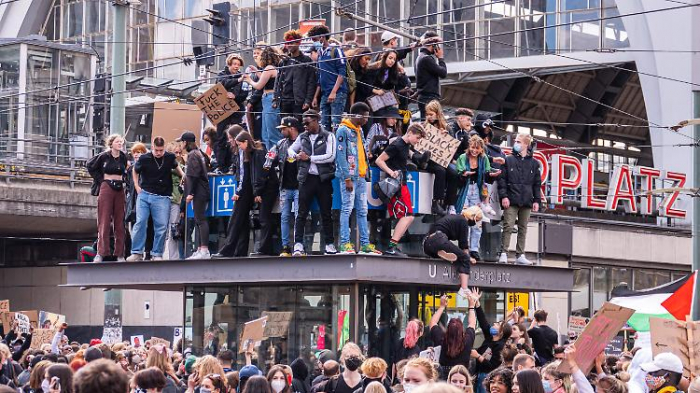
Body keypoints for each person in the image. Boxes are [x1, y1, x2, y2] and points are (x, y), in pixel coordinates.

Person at [288, 109, 337, 256]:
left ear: (316, 120)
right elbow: (291, 149)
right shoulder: (303, 136)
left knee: (326, 213)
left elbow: (331, 156)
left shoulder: (329, 136)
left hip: (323, 179)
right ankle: (298, 245)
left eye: (307, 123)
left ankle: (329, 244)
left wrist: (309, 158)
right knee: (301, 213)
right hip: (307, 178)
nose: (305, 126)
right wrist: (296, 155)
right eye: (303, 123)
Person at [127, 137, 184, 261]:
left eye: (161, 150)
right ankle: (136, 252)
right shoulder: (144, 158)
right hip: (145, 194)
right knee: (140, 222)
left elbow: (176, 165)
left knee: (161, 226)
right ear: (152, 147)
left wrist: (183, 175)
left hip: (163, 196)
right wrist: (137, 185)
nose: (159, 153)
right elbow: (135, 171)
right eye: (156, 150)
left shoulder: (169, 157)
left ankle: (157, 253)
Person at [336, 102, 381, 255]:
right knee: (347, 209)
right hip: (349, 178)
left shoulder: (359, 130)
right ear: (357, 115)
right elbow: (340, 156)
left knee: (363, 211)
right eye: (365, 116)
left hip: (361, 176)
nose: (367, 119)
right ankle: (344, 244)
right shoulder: (343, 130)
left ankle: (365, 245)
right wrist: (346, 178)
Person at [374, 123, 426, 256]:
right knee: (408, 216)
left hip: (400, 184)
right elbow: (379, 160)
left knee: (406, 216)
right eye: (418, 137)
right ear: (410, 133)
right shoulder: (397, 145)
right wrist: (391, 172)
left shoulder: (404, 144)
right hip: (397, 185)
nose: (418, 141)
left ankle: (392, 246)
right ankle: (392, 247)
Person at [215, 131, 266, 257]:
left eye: (232, 139)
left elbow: (245, 175)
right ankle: (240, 251)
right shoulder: (246, 152)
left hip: (246, 189)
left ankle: (228, 249)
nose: (231, 142)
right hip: (249, 188)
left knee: (235, 219)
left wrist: (239, 191)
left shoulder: (246, 153)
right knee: (242, 222)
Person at [497, 132, 541, 265]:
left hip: (527, 200)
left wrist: (536, 200)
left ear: (526, 144)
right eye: (516, 141)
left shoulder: (534, 163)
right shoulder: (508, 160)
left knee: (523, 227)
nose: (515, 144)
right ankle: (503, 252)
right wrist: (504, 196)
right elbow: (502, 180)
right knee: (508, 225)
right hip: (511, 198)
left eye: (518, 142)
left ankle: (520, 254)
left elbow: (537, 184)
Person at [455, 136, 500, 260]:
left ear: (481, 149)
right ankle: (465, 247)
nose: (474, 150)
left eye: (477, 148)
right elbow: (459, 172)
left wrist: (492, 174)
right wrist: (464, 174)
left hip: (477, 189)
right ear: (469, 147)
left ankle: (474, 249)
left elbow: (487, 172)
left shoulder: (483, 158)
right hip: (465, 189)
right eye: (472, 147)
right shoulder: (463, 157)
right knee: (465, 218)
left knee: (477, 220)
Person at [422, 206, 482, 298]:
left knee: (456, 254)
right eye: (476, 220)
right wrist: (469, 258)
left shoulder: (453, 218)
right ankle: (464, 288)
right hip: (439, 239)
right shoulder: (463, 222)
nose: (475, 223)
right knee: (464, 258)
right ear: (472, 216)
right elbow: (463, 245)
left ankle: (441, 253)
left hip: (427, 245)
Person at [86, 134, 128, 262]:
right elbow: (90, 165)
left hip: (120, 188)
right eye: (117, 142)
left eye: (121, 142)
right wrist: (101, 180)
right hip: (107, 187)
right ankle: (101, 252)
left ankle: (120, 253)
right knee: (104, 220)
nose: (120, 144)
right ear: (111, 144)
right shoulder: (104, 156)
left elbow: (124, 171)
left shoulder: (123, 157)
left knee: (120, 222)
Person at [266, 117, 301, 257]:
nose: (281, 131)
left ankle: (299, 245)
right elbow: (270, 155)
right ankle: (285, 247)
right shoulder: (281, 143)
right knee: (285, 217)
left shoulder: (303, 141)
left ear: (291, 127)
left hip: (300, 186)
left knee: (299, 217)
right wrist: (268, 162)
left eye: (283, 129)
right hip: (285, 187)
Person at [308, 25, 348, 132]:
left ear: (322, 37)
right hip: (325, 93)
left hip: (338, 92)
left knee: (336, 123)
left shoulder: (336, 50)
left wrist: (334, 92)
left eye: (315, 39)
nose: (314, 42)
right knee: (324, 124)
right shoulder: (320, 53)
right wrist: (316, 96)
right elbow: (321, 76)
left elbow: (342, 72)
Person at [429, 292, 478, 379]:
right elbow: (472, 323)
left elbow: (433, 322)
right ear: (462, 329)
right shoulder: (467, 340)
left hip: (443, 378)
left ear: (448, 329)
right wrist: (471, 306)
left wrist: (442, 306)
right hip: (462, 377)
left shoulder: (441, 340)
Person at [242, 46, 282, 150]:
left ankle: (275, 157)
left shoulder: (269, 68)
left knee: (271, 132)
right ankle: (269, 155)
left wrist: (249, 80)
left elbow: (259, 85)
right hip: (268, 100)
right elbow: (265, 79)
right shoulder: (273, 68)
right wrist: (257, 72)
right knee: (265, 133)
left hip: (270, 99)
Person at [179, 131, 211, 259]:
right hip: (201, 190)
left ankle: (204, 250)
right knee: (199, 220)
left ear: (186, 142)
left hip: (199, 192)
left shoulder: (192, 155)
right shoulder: (198, 153)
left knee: (200, 219)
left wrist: (190, 192)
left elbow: (194, 175)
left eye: (181, 142)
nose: (181, 145)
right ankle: (200, 249)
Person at [214, 53, 247, 173]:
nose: (236, 67)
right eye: (234, 64)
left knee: (236, 137)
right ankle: (222, 165)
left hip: (236, 112)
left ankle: (235, 164)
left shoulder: (243, 78)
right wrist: (237, 80)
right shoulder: (222, 75)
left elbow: (244, 94)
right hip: (223, 112)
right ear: (229, 64)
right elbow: (222, 83)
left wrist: (235, 96)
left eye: (238, 65)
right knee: (221, 138)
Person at [473, 297, 512, 393]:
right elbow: (483, 322)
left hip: (488, 376)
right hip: (479, 374)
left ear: (502, 332)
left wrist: (478, 356)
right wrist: (477, 303)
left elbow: (493, 366)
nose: (494, 324)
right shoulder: (490, 337)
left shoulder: (500, 346)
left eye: (498, 324)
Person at [277, 30, 317, 119]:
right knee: (285, 128)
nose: (289, 45)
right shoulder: (283, 61)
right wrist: (276, 99)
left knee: (299, 128)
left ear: (298, 43)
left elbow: (311, 82)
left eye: (292, 42)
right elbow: (278, 81)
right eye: (287, 43)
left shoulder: (307, 61)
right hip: (284, 101)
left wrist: (308, 101)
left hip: (299, 102)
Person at [414, 31, 446, 120]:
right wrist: (440, 58)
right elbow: (443, 73)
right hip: (429, 98)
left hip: (424, 97)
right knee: (431, 125)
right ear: (434, 45)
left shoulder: (419, 58)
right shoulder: (426, 59)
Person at [164, 141, 185, 260]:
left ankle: (174, 258)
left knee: (174, 229)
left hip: (176, 200)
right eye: (175, 152)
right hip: (165, 198)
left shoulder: (182, 166)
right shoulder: (168, 166)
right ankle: (159, 255)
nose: (178, 155)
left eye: (179, 152)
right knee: (162, 229)